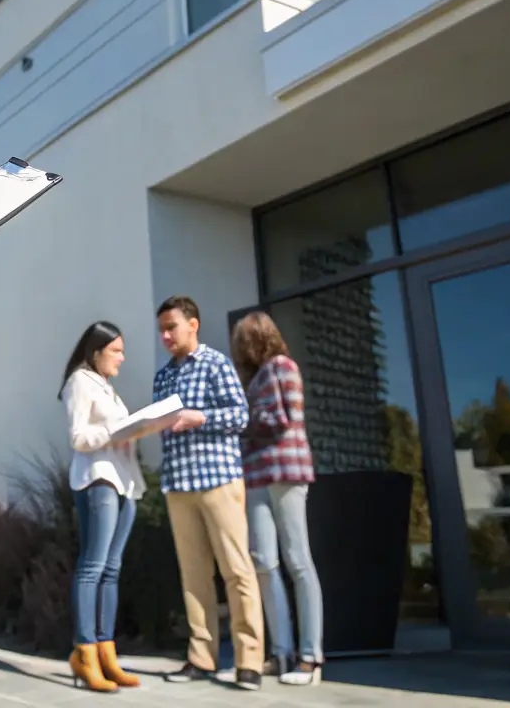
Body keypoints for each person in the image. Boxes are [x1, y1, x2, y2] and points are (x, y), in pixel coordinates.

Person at [152, 295, 266, 692]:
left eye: (172, 327)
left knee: (237, 571)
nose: (165, 335)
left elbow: (240, 415)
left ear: (193, 324)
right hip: (178, 485)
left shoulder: (217, 364)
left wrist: (200, 416)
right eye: (161, 329)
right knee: (193, 577)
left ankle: (249, 661)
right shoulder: (162, 377)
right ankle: (201, 658)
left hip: (219, 481)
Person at [232, 311, 324, 686]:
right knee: (264, 563)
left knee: (298, 561)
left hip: (286, 472)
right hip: (256, 476)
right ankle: (281, 653)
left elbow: (284, 418)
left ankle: (310, 658)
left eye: (241, 340)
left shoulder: (283, 367)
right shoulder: (254, 379)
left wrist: (241, 421)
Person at [60, 321, 144, 693]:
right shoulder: (80, 381)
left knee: (111, 570)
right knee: (92, 568)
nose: (122, 358)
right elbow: (79, 436)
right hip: (98, 480)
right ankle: (85, 653)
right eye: (117, 351)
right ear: (96, 351)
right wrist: (118, 432)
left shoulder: (107, 388)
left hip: (125, 482)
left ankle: (107, 652)